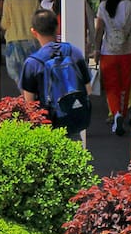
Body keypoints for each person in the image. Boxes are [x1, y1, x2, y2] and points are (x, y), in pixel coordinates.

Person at [20, 9, 93, 139]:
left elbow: (29, 103)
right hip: (72, 120)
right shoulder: (73, 52)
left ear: (34, 32)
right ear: (57, 27)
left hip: (47, 125)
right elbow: (88, 89)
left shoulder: (32, 63)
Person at [93, 0, 131, 136]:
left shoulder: (103, 6)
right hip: (127, 50)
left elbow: (99, 30)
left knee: (111, 86)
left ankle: (115, 114)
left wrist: (96, 49)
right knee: (125, 84)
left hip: (108, 51)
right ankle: (121, 114)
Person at [0, 0, 42, 87]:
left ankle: (26, 98)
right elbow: (39, 21)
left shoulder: (8, 2)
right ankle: (31, 98)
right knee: (33, 74)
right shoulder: (34, 1)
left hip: (14, 42)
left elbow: (4, 24)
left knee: (17, 75)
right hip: (33, 41)